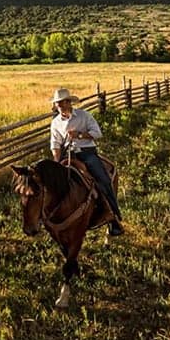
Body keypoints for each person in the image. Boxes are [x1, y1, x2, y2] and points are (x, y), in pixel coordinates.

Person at [49, 88, 123, 236]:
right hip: (67, 154)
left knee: (102, 179)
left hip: (86, 153)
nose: (59, 106)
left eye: (62, 103)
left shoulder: (84, 116)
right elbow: (55, 144)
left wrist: (80, 135)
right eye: (57, 104)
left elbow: (97, 133)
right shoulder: (56, 122)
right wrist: (57, 163)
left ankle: (113, 218)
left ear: (69, 102)